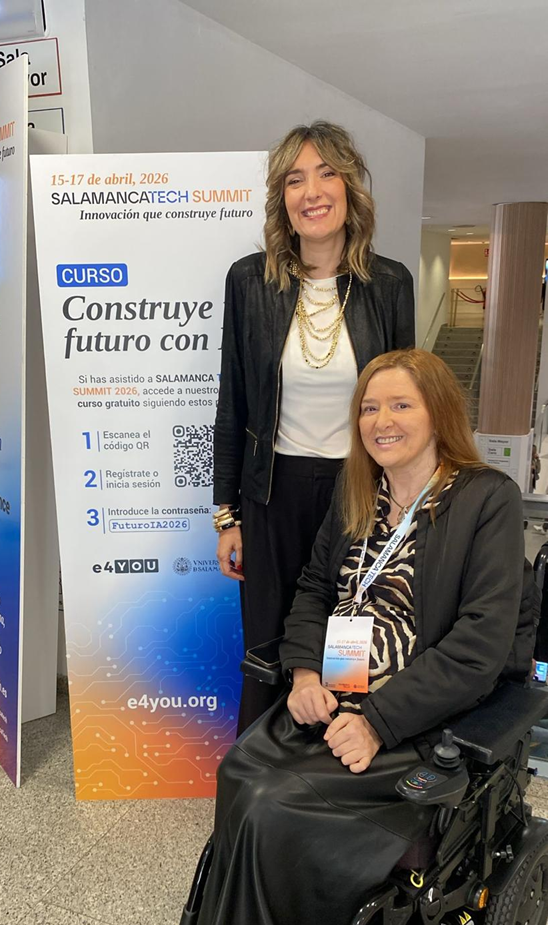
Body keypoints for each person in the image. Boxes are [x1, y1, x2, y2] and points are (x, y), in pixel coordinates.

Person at [156, 349, 536, 925]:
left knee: (278, 808)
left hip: (422, 720)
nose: (381, 420)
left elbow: (480, 648)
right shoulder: (358, 492)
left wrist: (379, 721)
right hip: (336, 696)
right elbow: (310, 590)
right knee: (242, 772)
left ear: (438, 414)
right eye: (368, 407)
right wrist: (303, 671)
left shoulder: (486, 499)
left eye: (400, 405)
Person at [213, 120, 416, 734]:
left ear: (350, 188)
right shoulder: (250, 281)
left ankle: (334, 778)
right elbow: (233, 403)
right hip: (272, 493)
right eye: (296, 179)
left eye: (327, 173)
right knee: (271, 643)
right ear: (283, 199)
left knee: (347, 641)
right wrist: (227, 514)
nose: (312, 191)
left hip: (360, 492)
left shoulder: (390, 284)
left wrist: (406, 504)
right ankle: (259, 783)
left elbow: (409, 405)